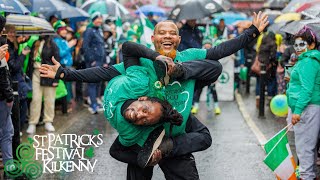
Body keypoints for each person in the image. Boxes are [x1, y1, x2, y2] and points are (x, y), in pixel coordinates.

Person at [40, 12, 269, 179]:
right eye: (162, 33)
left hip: (175, 130)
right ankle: (150, 154)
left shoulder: (189, 55)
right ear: (153, 39)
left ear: (178, 40)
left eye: (172, 33)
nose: (167, 36)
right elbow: (104, 72)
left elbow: (219, 52)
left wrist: (252, 33)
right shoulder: (141, 64)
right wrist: (64, 73)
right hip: (144, 136)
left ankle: (169, 146)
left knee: (201, 136)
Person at [286, 26, 320, 180]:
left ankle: (306, 177)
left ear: (312, 45)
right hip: (307, 108)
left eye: (302, 44)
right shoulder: (307, 60)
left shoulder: (309, 61)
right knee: (307, 150)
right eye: (296, 45)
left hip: (307, 109)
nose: (298, 48)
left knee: (305, 149)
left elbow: (307, 89)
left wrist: (298, 110)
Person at [25, 35, 60, 134]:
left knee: (49, 99)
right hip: (36, 74)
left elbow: (57, 62)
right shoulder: (35, 42)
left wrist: (56, 79)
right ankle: (32, 123)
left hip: (48, 74)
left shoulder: (53, 44)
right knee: (35, 99)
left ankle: (48, 121)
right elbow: (30, 62)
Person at [82, 11, 105, 114]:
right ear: (93, 20)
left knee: (98, 83)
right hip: (93, 62)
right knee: (92, 83)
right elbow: (85, 47)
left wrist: (104, 61)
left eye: (100, 18)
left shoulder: (99, 30)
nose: (99, 20)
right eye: (97, 18)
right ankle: (93, 105)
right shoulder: (89, 31)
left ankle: (96, 101)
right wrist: (91, 60)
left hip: (100, 61)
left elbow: (101, 47)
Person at [0, 15, 14, 175]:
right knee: (7, 132)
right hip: (2, 97)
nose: (4, 30)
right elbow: (3, 75)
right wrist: (9, 96)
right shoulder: (1, 46)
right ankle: (10, 170)